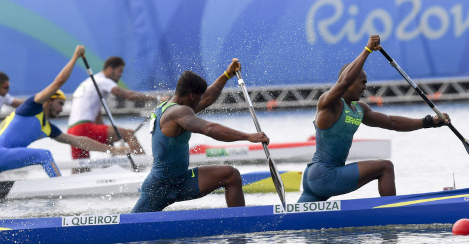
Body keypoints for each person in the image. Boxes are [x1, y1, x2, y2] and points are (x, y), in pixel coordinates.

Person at [297, 35, 450, 203]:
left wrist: (429, 122)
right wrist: (367, 50)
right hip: (325, 174)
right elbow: (343, 81)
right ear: (349, 82)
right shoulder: (329, 103)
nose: (365, 87)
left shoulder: (360, 109)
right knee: (385, 167)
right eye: (362, 82)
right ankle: (393, 214)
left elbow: (392, 122)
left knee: (292, 222)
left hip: (316, 178)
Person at [131, 59, 270, 213]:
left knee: (231, 175)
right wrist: (248, 136)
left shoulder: (170, 107)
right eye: (198, 97)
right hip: (159, 187)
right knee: (127, 231)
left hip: (182, 180)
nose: (200, 101)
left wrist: (226, 75)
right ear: (191, 96)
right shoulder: (178, 112)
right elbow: (209, 128)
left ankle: (240, 223)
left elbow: (206, 98)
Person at [0, 46, 130, 177]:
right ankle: (60, 189)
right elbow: (59, 82)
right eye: (60, 103)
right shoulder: (31, 107)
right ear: (48, 100)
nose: (62, 109)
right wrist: (75, 57)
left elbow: (80, 141)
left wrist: (114, 150)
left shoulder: (48, 128)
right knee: (44, 155)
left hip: (4, 157)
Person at [67, 56, 161, 160]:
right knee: (129, 134)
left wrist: (113, 149)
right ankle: (145, 168)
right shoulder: (102, 81)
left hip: (72, 131)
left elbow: (97, 119)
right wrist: (157, 98)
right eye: (119, 71)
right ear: (110, 69)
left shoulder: (89, 82)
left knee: (80, 169)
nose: (120, 75)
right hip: (84, 128)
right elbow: (127, 95)